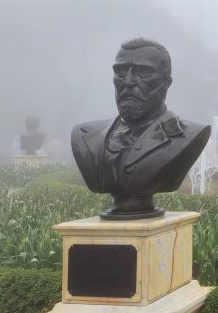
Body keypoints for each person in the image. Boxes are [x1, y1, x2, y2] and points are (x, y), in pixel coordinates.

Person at [71, 38, 210, 219]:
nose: (128, 82)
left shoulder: (188, 135)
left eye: (143, 73)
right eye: (120, 72)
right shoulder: (84, 136)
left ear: (166, 83)